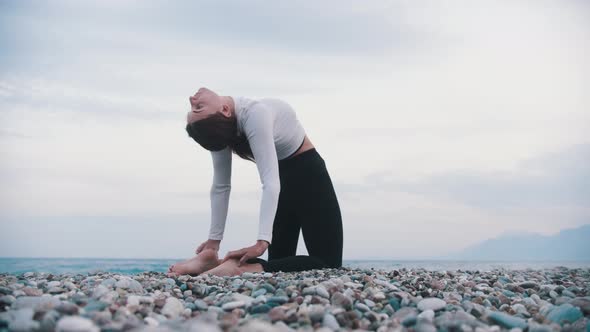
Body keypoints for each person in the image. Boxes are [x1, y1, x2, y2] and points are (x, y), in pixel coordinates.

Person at [167, 87, 343, 277]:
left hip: (282, 185)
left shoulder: (225, 124)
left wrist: (216, 241)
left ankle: (216, 263)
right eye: (198, 108)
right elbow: (255, 184)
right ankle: (238, 266)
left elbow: (222, 187)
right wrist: (259, 242)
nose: (192, 100)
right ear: (225, 110)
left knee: (279, 262)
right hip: (308, 177)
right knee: (328, 263)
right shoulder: (249, 116)